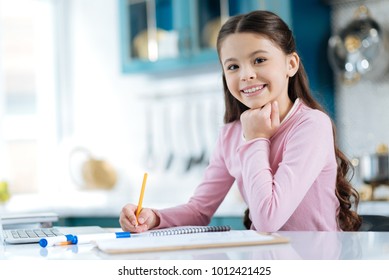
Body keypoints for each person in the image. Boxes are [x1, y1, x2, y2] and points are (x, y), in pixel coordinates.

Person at [120, 10, 362, 232]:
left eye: (259, 60)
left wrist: (256, 138)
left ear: (291, 64)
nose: (246, 75)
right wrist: (154, 217)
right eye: (233, 66)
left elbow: (268, 220)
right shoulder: (231, 134)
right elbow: (199, 210)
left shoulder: (311, 126)